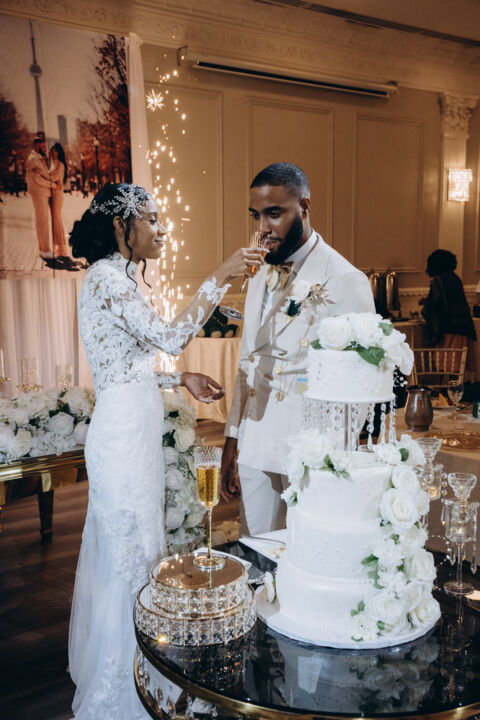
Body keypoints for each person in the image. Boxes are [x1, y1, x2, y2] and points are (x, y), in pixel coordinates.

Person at [67, 182, 264, 719]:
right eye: (151, 219)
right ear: (121, 226)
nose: (161, 228)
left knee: (141, 547)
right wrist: (223, 273)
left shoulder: (117, 279)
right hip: (122, 438)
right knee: (129, 556)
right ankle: (127, 690)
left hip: (133, 431)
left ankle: (148, 673)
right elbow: (173, 336)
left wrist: (181, 378)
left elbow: (125, 368)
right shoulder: (107, 278)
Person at [221, 162, 375, 536]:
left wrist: (329, 460)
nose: (263, 228)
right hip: (256, 445)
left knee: (306, 551)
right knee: (257, 547)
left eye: (274, 213)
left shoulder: (344, 279)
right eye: (256, 215)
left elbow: (361, 386)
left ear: (304, 207)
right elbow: (248, 360)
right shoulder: (259, 270)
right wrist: (232, 439)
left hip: (308, 453)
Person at [421, 248, 476, 370]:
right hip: (463, 327)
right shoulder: (456, 279)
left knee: (440, 365)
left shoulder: (438, 282)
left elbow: (433, 308)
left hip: (447, 328)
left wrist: (426, 306)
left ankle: (438, 384)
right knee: (456, 366)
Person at [49, 142, 81, 270]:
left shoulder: (60, 165)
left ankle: (62, 250)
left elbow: (54, 178)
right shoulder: (53, 164)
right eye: (51, 151)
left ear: (58, 152)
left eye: (53, 151)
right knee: (54, 221)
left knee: (57, 221)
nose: (51, 153)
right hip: (52, 194)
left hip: (57, 194)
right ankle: (57, 249)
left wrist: (42, 174)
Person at [25, 133, 55, 264]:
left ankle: (43, 249)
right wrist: (52, 184)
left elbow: (42, 174)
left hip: (41, 192)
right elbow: (37, 178)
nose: (44, 148)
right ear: (37, 145)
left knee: (42, 221)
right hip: (39, 192)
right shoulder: (33, 159)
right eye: (42, 146)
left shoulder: (38, 158)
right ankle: (45, 250)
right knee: (43, 221)